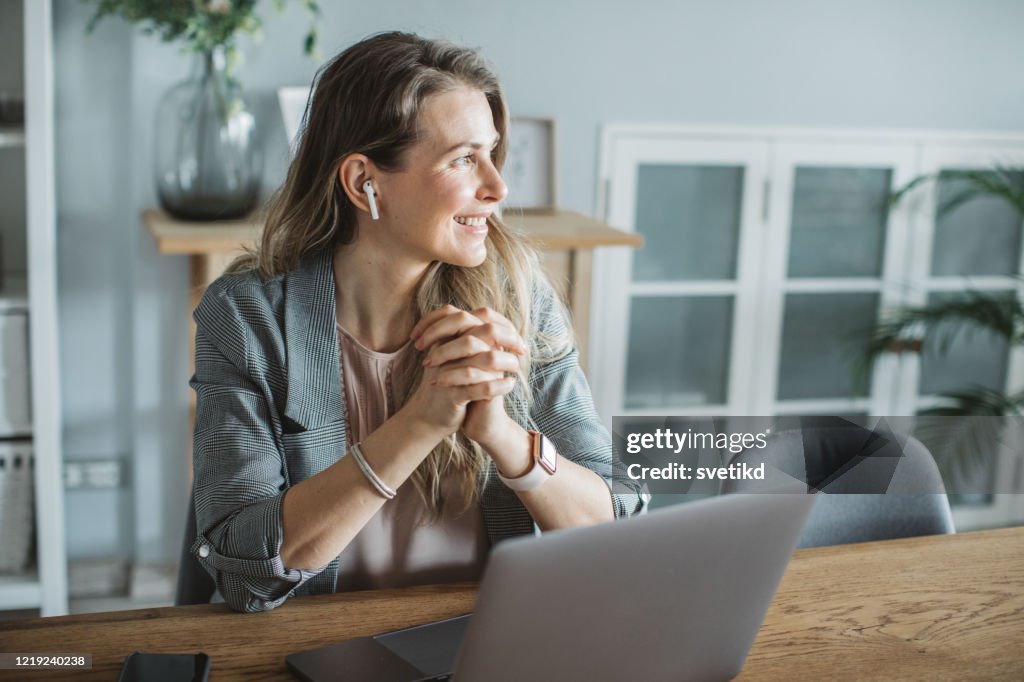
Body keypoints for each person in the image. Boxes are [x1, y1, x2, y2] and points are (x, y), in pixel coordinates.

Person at [189, 31, 646, 614]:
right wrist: (421, 422)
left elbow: (615, 524)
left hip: (488, 638)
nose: (497, 187)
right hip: (313, 645)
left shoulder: (518, 297)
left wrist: (501, 434)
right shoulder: (249, 316)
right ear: (363, 182)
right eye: (462, 159)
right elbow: (245, 577)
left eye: (492, 152)